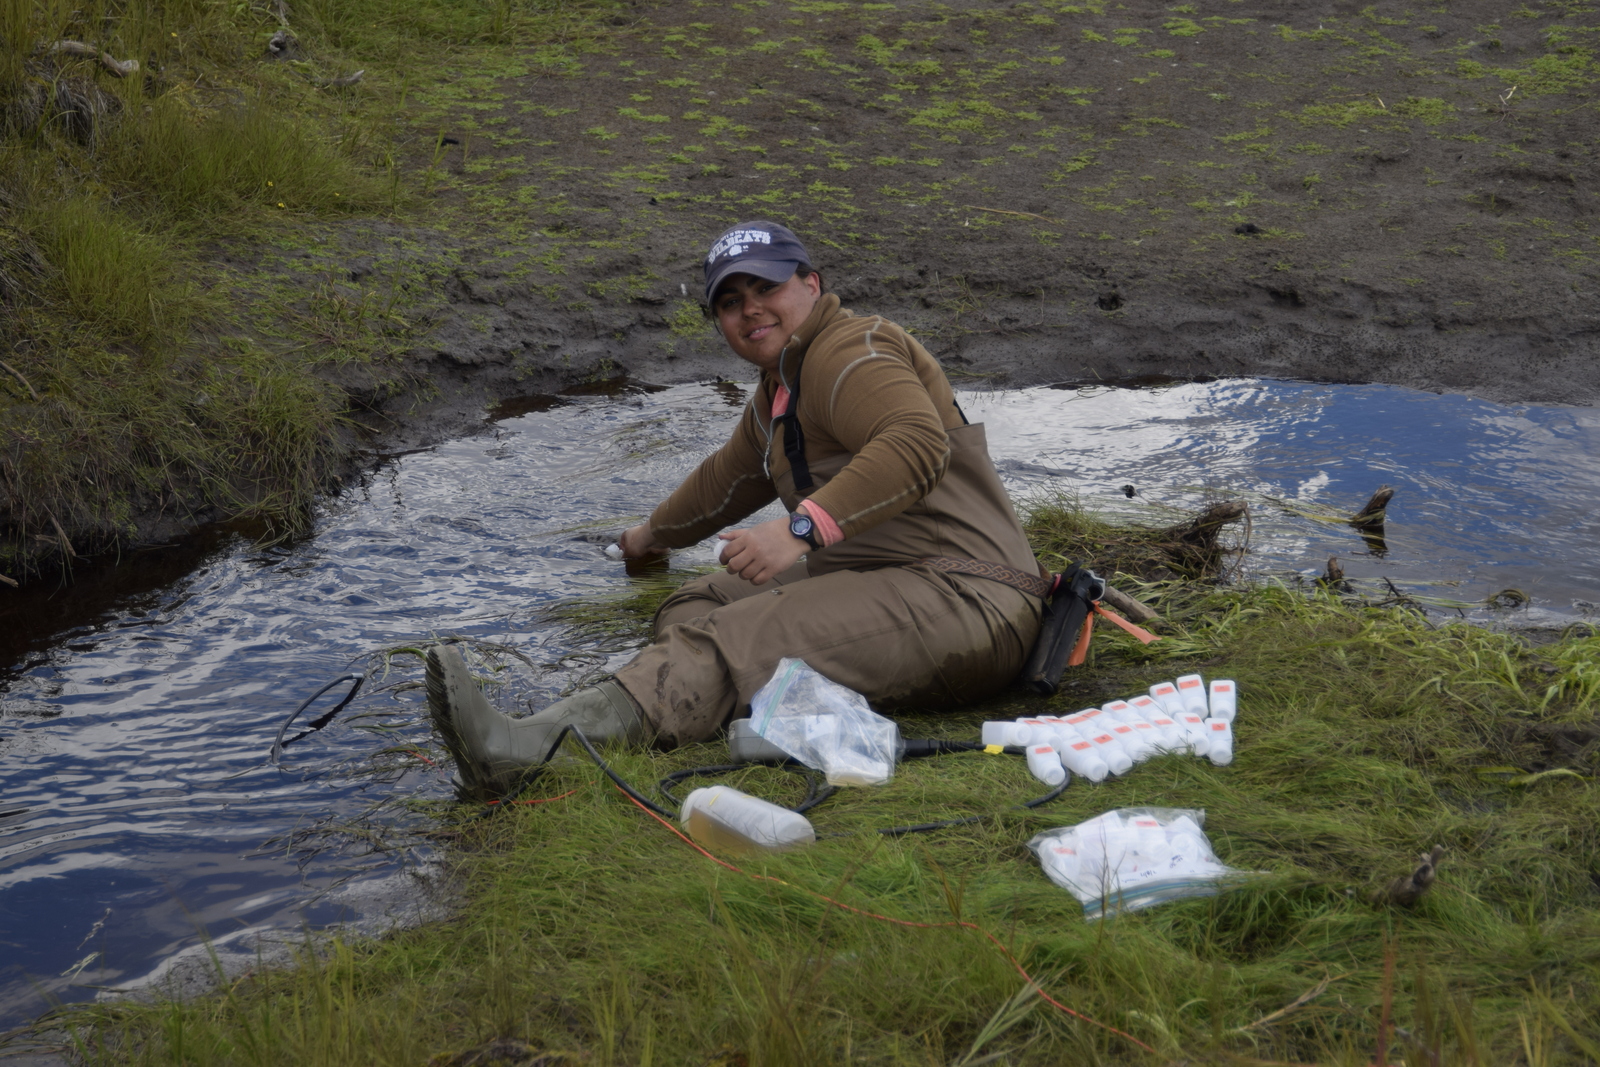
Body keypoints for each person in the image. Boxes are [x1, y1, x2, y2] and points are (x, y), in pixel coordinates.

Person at [427, 220, 1045, 797]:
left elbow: (913, 443)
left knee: (730, 638)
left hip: (968, 597)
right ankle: (709, 704)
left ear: (811, 285)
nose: (750, 308)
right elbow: (724, 485)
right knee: (698, 604)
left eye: (766, 286)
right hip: (880, 577)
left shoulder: (854, 351)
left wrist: (801, 528)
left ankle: (525, 754)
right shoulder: (780, 390)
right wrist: (646, 537)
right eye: (729, 300)